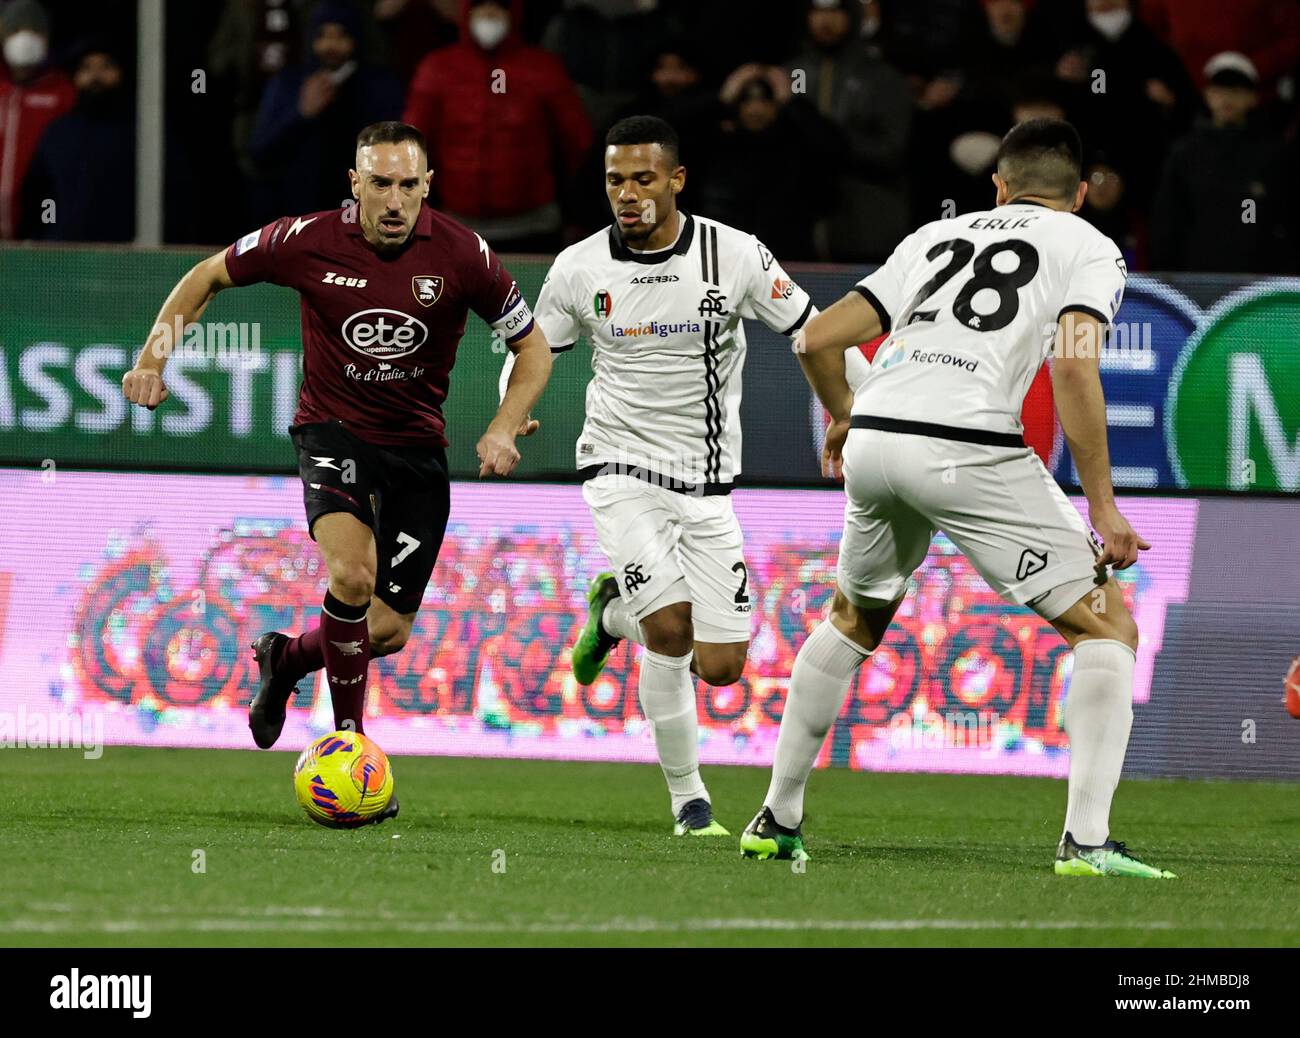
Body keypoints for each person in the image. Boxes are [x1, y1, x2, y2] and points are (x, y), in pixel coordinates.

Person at [744, 118, 1176, 880]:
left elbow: (814, 340)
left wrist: (845, 415)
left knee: (852, 618)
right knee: (1106, 626)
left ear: (998, 186)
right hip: (965, 438)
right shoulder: (1087, 245)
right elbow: (1075, 368)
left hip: (877, 436)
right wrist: (1102, 506)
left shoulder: (932, 236)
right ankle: (1087, 842)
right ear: (1078, 195)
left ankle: (776, 817)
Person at [121, 122, 554, 822]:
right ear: (354, 185)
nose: (394, 199)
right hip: (333, 433)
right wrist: (152, 358)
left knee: (384, 631)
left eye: (408, 185)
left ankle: (286, 659)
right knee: (350, 577)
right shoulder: (306, 239)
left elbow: (533, 349)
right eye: (379, 183)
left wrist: (505, 423)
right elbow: (207, 277)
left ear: (427, 187)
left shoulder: (463, 253)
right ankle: (348, 745)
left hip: (417, 449)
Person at [499, 115, 864, 836]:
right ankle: (689, 804)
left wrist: (860, 410)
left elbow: (814, 331)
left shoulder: (735, 257)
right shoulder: (578, 267)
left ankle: (609, 614)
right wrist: (514, 412)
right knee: (669, 631)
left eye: (641, 179)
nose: (627, 195)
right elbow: (534, 348)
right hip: (618, 467)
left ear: (675, 180)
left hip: (706, 484)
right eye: (614, 181)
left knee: (723, 663)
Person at [402, 0, 593, 253]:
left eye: (499, 6)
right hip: (457, 224)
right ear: (467, 11)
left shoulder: (543, 69)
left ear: (513, 12)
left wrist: (580, 214)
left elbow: (577, 143)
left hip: (533, 225)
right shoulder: (437, 69)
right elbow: (412, 146)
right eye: (481, 5)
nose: (489, 14)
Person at [249, 1, 404, 221]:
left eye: (341, 36)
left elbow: (393, 159)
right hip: (295, 220)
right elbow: (260, 153)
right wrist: (301, 114)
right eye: (322, 35)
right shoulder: (288, 83)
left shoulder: (380, 85)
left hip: (361, 220)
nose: (331, 45)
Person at [1150, 52, 1297, 274]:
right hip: (1197, 282)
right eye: (1220, 91)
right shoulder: (1185, 154)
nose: (1227, 99)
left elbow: (1288, 219)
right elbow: (1168, 222)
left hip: (1260, 284)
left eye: (1236, 91)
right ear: (1207, 95)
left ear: (1253, 98)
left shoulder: (1274, 154)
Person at [21, 39, 135, 242]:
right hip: (64, 253)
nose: (96, 76)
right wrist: (45, 235)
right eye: (86, 68)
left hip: (128, 256)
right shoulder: (58, 133)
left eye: (106, 66)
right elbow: (38, 193)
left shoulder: (142, 135)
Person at [0, 0, 74, 239]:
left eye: (34, 29)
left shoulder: (63, 93)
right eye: (15, 29)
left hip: (37, 232)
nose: (25, 36)